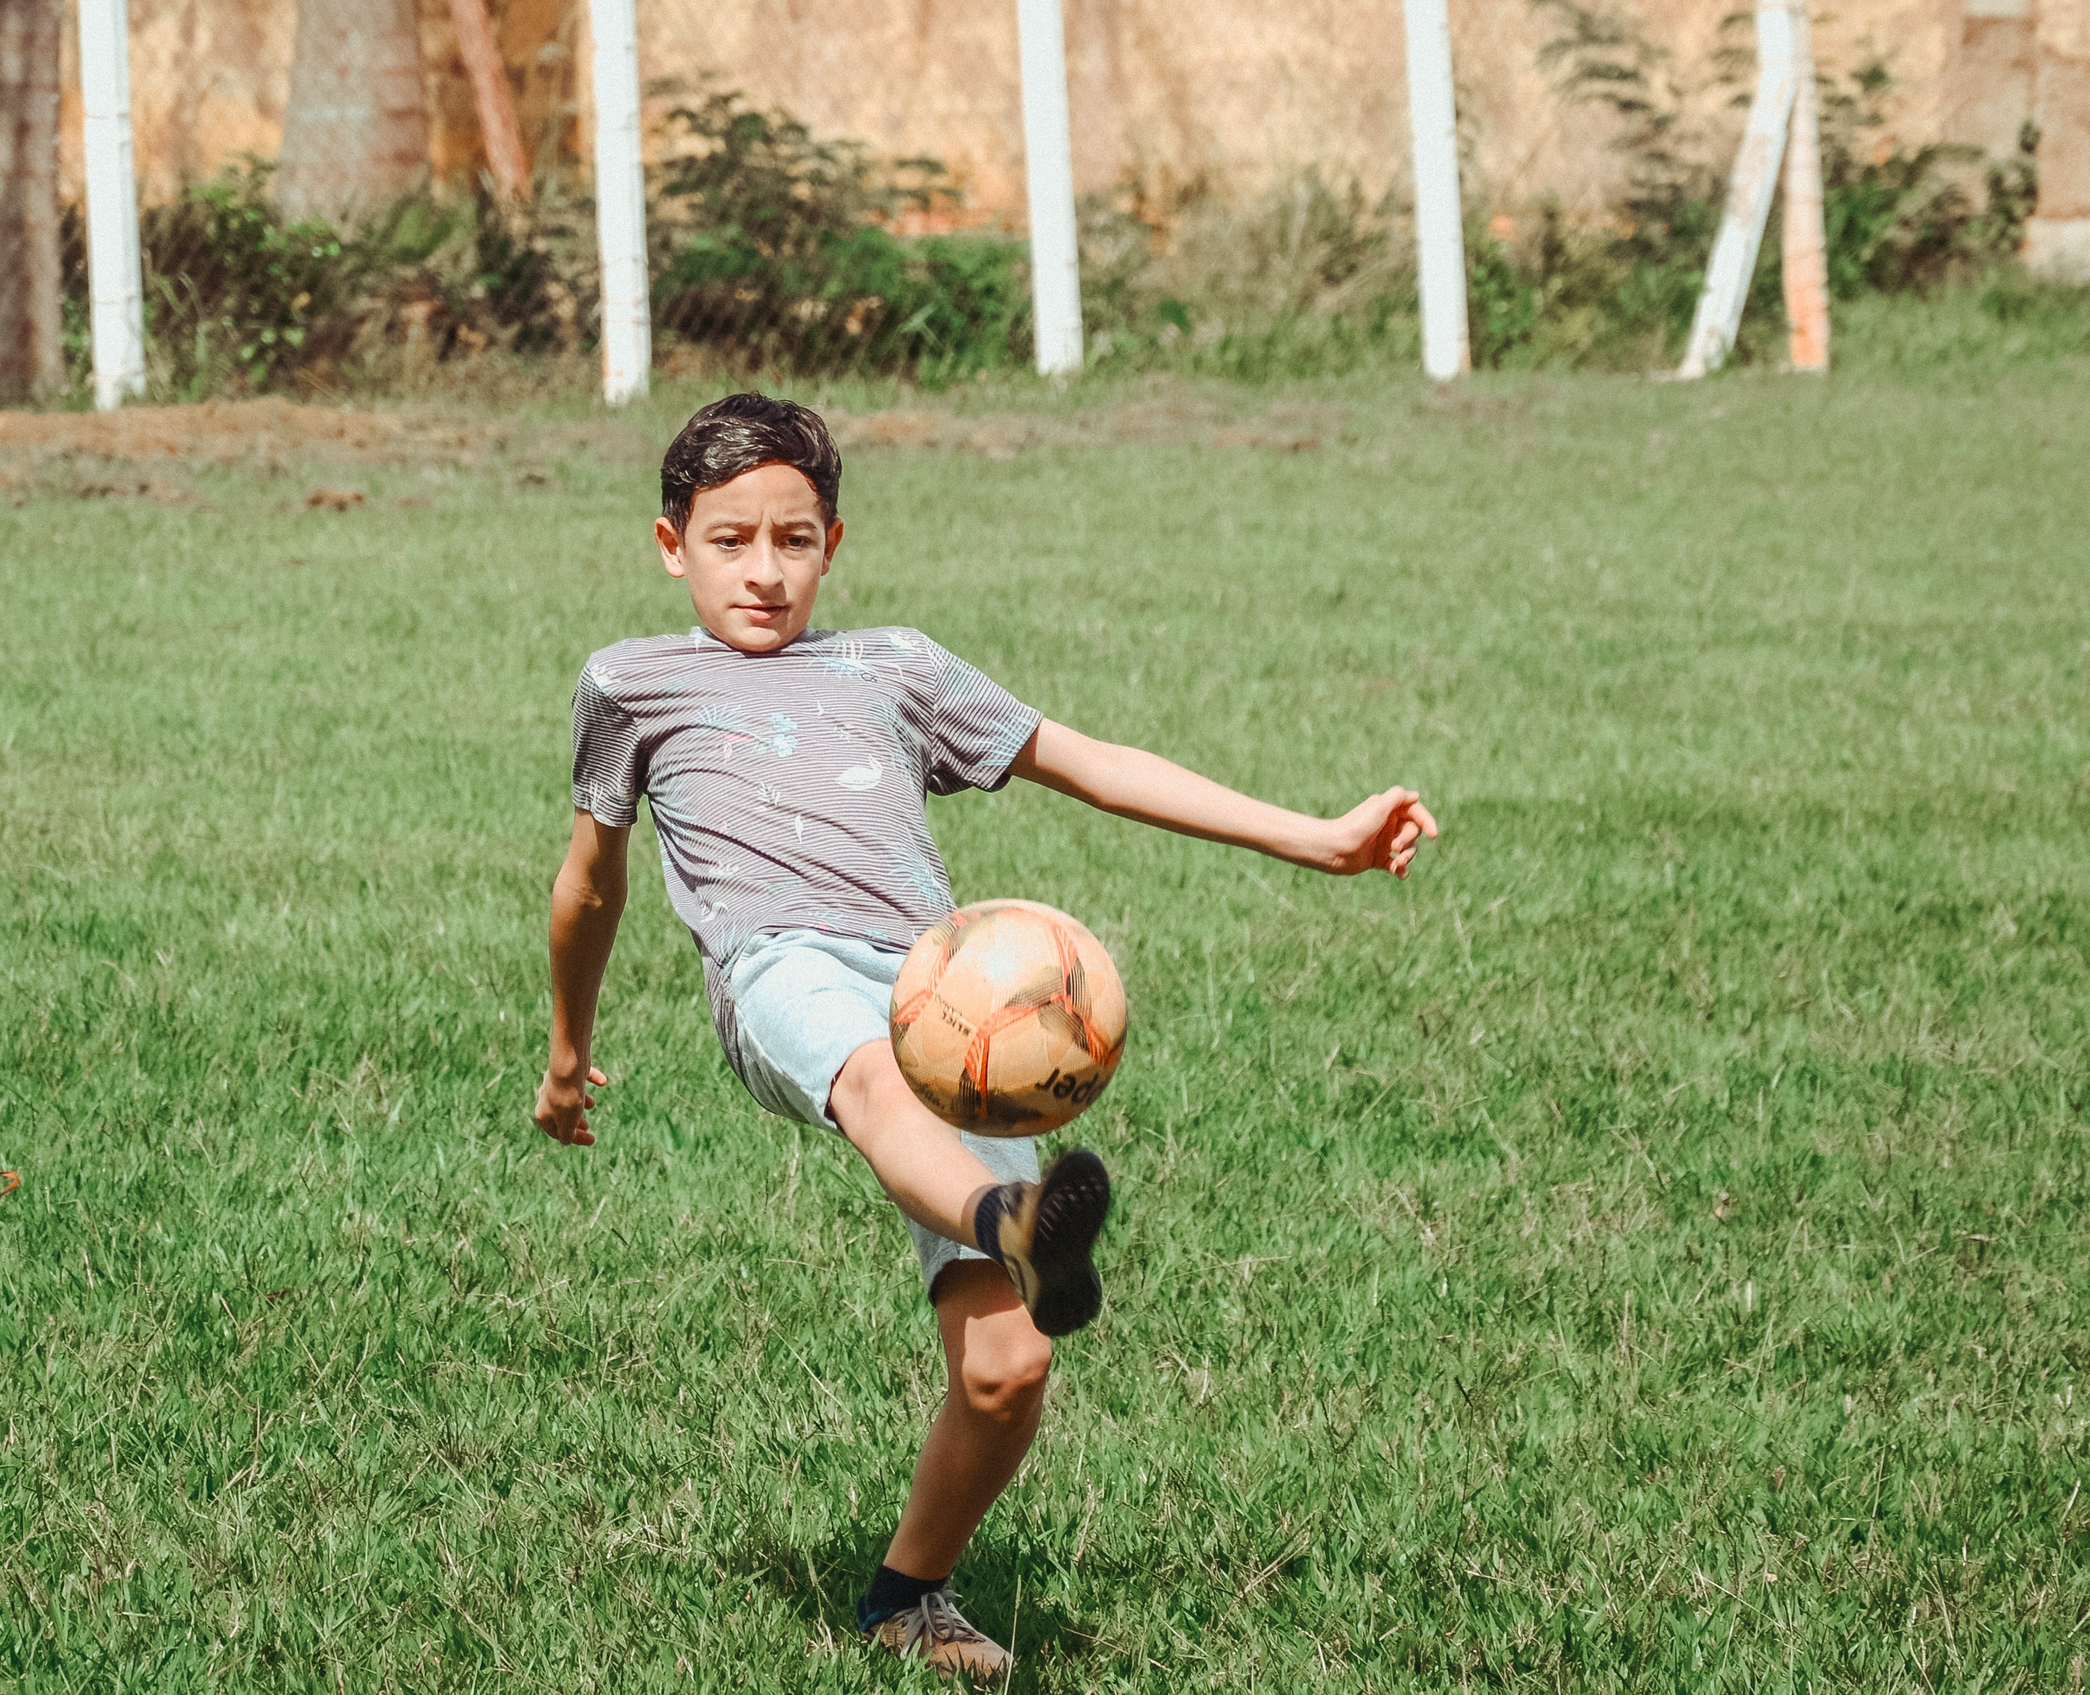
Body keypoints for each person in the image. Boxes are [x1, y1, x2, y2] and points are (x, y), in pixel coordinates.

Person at [534, 393, 1437, 1681]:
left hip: (942, 997)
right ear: (671, 544)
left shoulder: (893, 665)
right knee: (862, 1074)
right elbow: (590, 888)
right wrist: (567, 1054)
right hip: (776, 973)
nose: (765, 570)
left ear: (832, 544)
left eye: (794, 540)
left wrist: (1318, 836)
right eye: (731, 541)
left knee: (1009, 1366)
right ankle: (1009, 1224)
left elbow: (1094, 762)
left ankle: (909, 1598)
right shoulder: (633, 682)